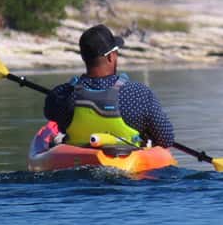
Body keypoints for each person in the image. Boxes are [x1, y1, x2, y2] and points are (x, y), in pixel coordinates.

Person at [43, 24, 175, 148]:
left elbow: (49, 113)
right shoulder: (140, 94)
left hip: (77, 161)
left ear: (83, 58)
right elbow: (166, 139)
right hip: (128, 163)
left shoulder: (61, 95)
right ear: (111, 56)